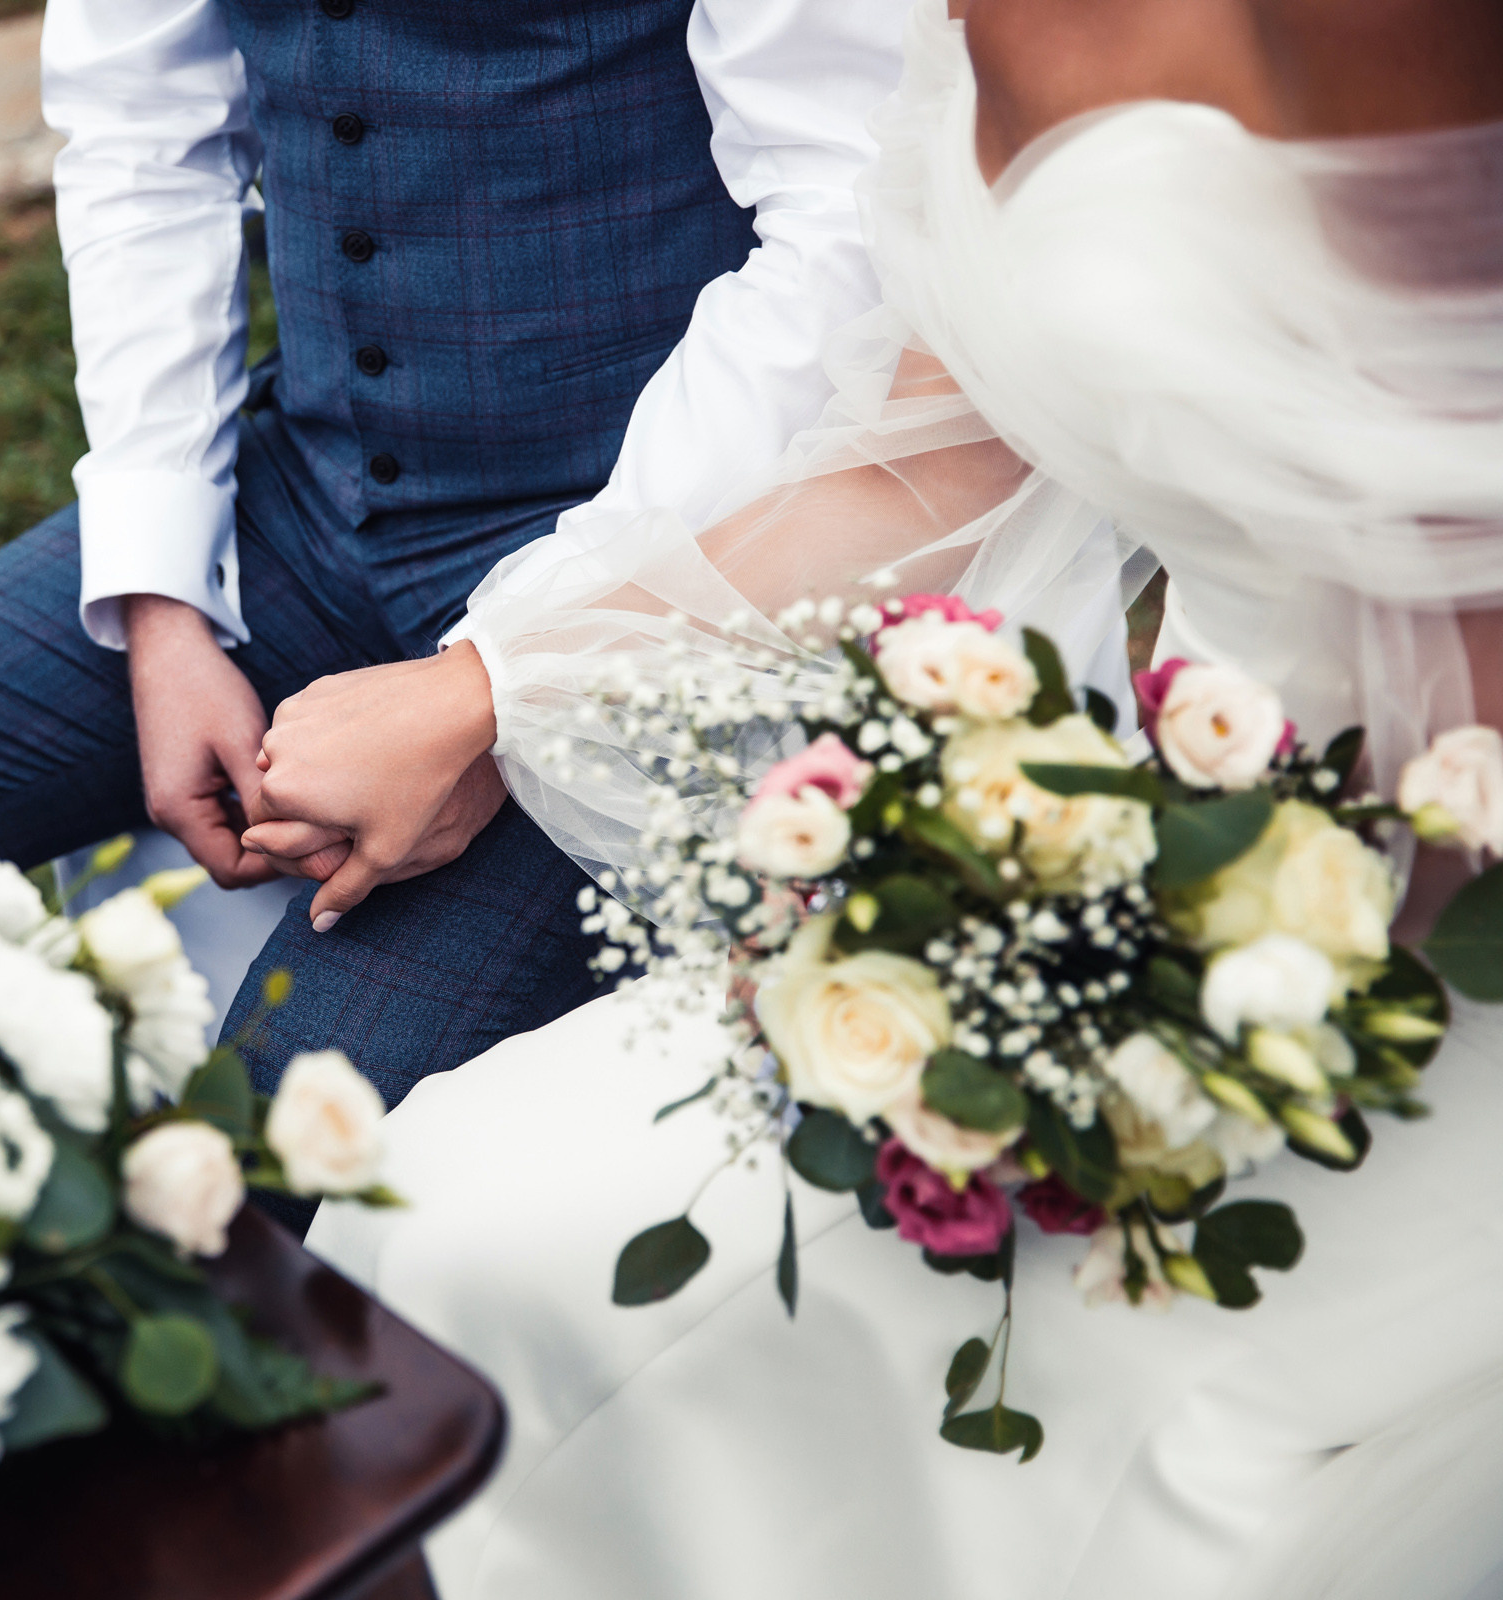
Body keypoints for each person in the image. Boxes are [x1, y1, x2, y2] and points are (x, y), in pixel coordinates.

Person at [260, 0, 1503, 1593]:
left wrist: (1114, 968)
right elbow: (919, 472)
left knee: (516, 1253)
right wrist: (488, 689)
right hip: (1144, 857)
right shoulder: (956, 27)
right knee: (443, 1204)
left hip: (1412, 948)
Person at [0, 0, 914, 1109]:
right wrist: (162, 606)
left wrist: (522, 673)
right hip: (308, 496)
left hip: (652, 545)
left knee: (294, 1119)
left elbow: (840, 210)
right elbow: (139, 132)